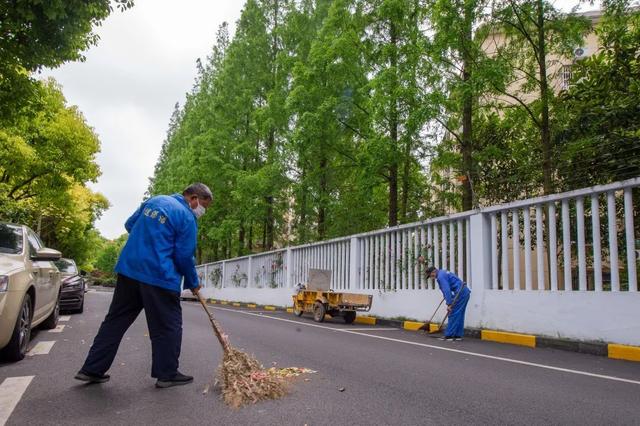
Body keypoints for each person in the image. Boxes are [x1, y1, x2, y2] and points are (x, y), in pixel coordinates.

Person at [75, 183, 212, 388]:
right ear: (193, 198)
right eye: (204, 205)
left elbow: (130, 225)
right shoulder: (186, 217)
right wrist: (193, 282)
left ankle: (92, 369)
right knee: (167, 326)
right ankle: (167, 373)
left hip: (129, 270)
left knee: (115, 321)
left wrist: (149, 238)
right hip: (159, 276)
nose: (203, 211)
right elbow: (184, 255)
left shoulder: (154, 201)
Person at [419, 257, 471, 342]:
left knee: (453, 313)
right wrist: (447, 298)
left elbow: (446, 290)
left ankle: (449, 335)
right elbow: (447, 288)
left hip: (460, 293)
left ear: (434, 271)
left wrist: (449, 304)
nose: (432, 277)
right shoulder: (443, 273)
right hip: (464, 292)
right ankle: (458, 335)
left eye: (431, 275)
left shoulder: (440, 277)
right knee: (459, 314)